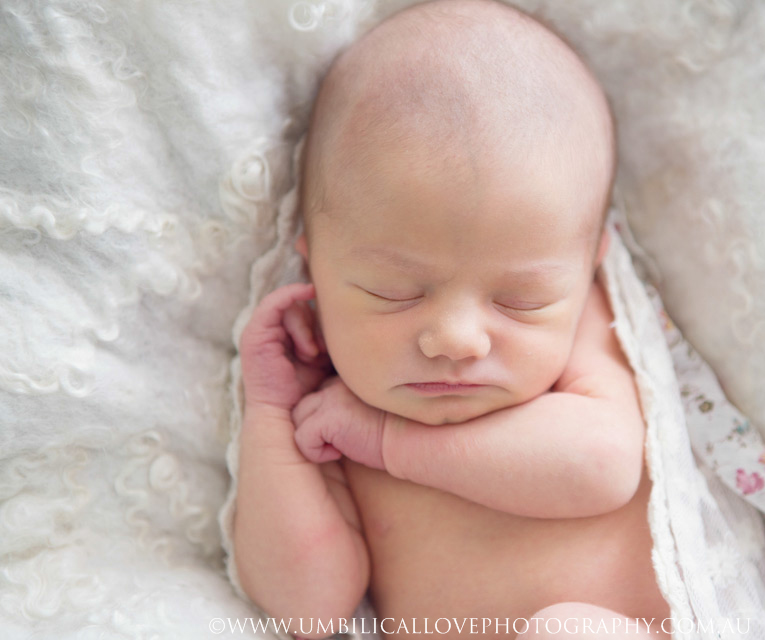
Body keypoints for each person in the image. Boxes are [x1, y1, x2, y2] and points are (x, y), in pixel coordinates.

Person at [233, 0, 670, 637]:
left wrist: (391, 444)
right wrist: (272, 414)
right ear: (315, 274)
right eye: (394, 292)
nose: (455, 340)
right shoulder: (331, 407)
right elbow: (308, 605)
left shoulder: (578, 325)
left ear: (588, 268)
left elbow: (603, 466)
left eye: (519, 300)